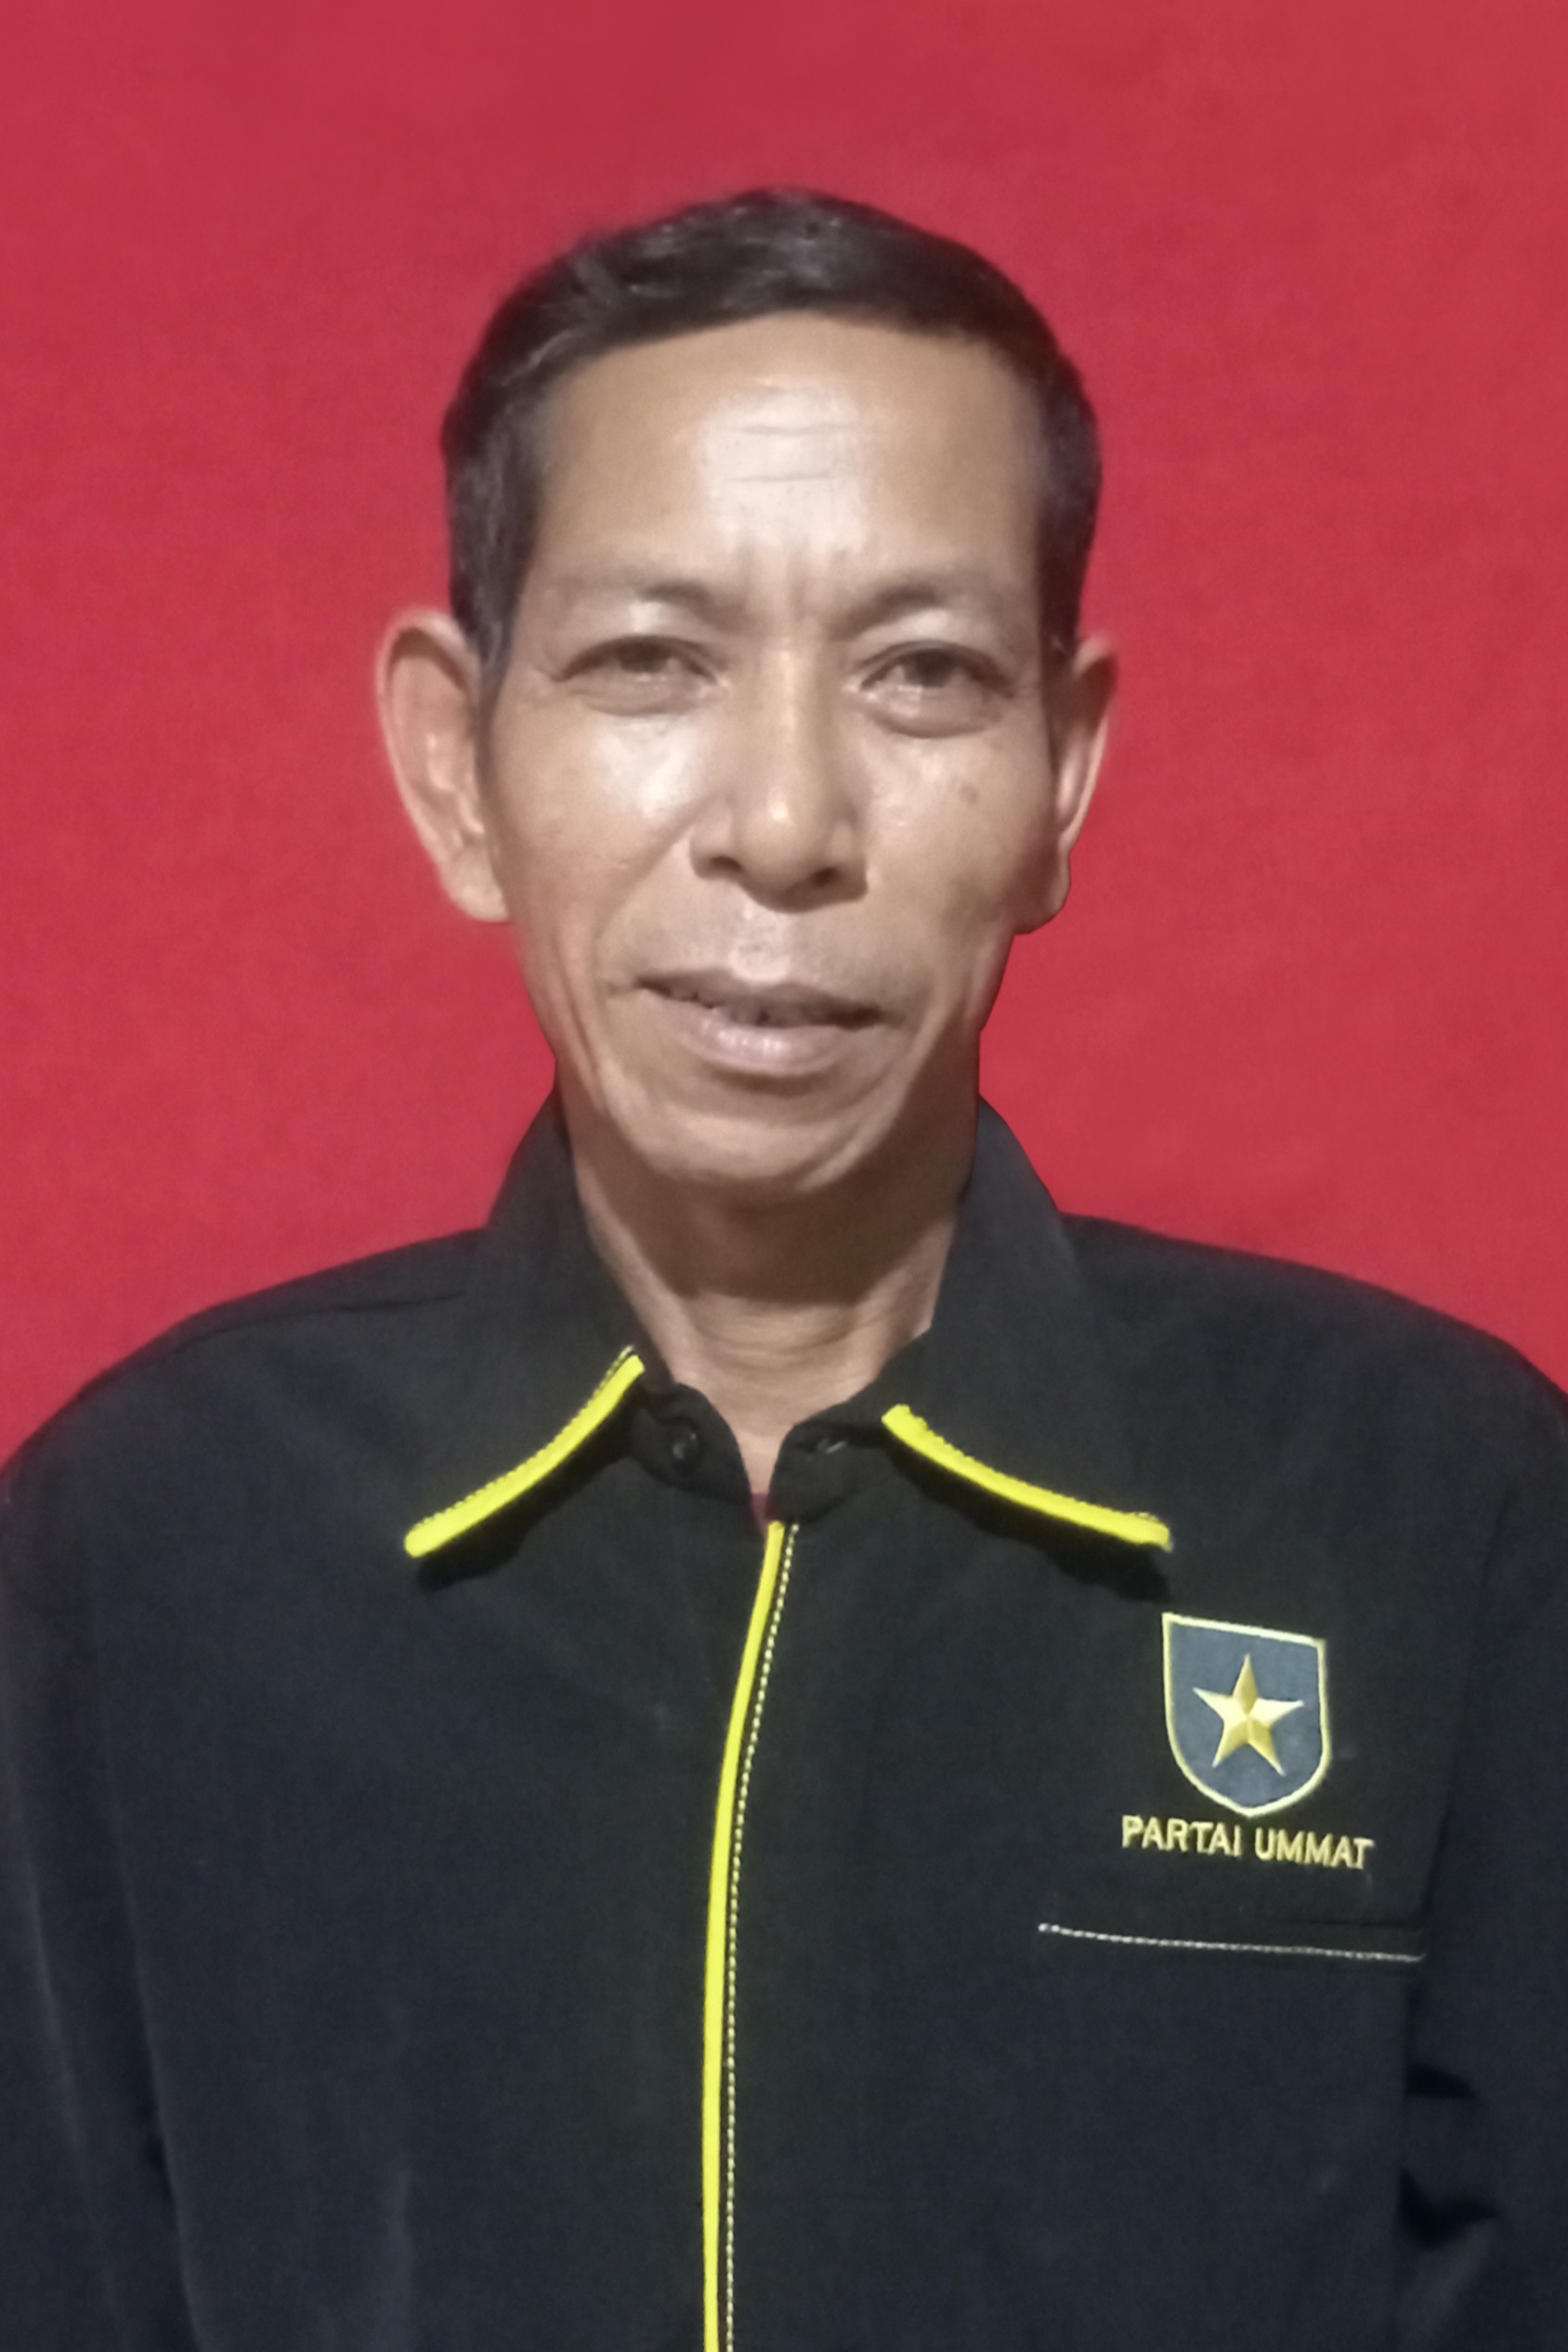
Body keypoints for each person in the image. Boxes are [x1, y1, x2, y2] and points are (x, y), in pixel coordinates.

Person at [2, 186, 1564, 2352]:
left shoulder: (1434, 1509)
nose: (785, 822)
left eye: (921, 675)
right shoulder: (149, 1544)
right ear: (457, 764)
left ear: (1060, 775)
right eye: (652, 663)